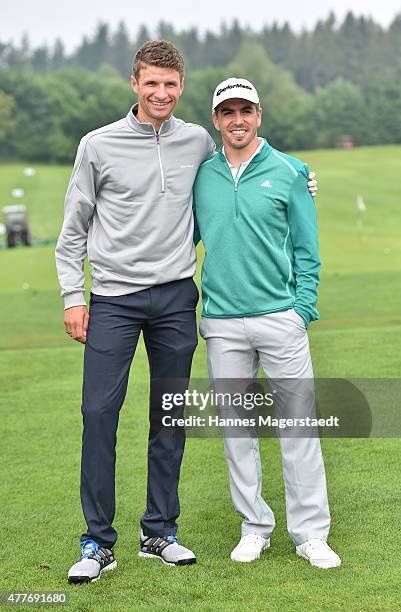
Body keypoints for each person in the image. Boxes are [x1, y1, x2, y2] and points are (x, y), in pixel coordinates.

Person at [56, 41, 318, 582]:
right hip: (113, 299)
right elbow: (72, 229)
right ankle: (97, 542)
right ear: (134, 83)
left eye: (170, 85)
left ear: (181, 88)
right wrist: (72, 296)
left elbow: (243, 165)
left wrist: (301, 176)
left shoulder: (195, 140)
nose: (160, 93)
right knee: (99, 415)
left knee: (168, 418)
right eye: (151, 83)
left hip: (176, 298)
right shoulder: (97, 145)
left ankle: (159, 532)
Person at [193, 78, 341, 569]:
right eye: (228, 111)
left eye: (246, 110)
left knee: (298, 428)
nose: (238, 119)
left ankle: (309, 534)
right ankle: (254, 527)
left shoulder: (291, 172)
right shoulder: (202, 175)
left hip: (280, 318)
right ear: (216, 119)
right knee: (238, 432)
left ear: (260, 115)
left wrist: (301, 310)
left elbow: (307, 249)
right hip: (222, 322)